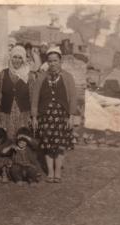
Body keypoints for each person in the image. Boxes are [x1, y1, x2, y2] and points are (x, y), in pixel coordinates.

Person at [31, 47, 77, 183]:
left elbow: (73, 98)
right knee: (47, 145)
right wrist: (34, 117)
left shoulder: (68, 77)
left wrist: (71, 116)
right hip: (46, 116)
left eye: (55, 60)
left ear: (60, 60)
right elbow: (35, 98)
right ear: (47, 62)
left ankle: (58, 171)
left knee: (60, 145)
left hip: (62, 116)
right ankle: (50, 172)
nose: (52, 63)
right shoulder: (41, 77)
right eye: (50, 61)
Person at [0, 45, 31, 139]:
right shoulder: (3, 74)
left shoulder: (29, 75)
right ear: (11, 58)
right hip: (6, 113)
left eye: (20, 58)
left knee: (22, 138)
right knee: (6, 138)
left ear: (23, 59)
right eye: (15, 57)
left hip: (23, 114)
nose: (17, 60)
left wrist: (33, 115)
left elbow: (32, 96)